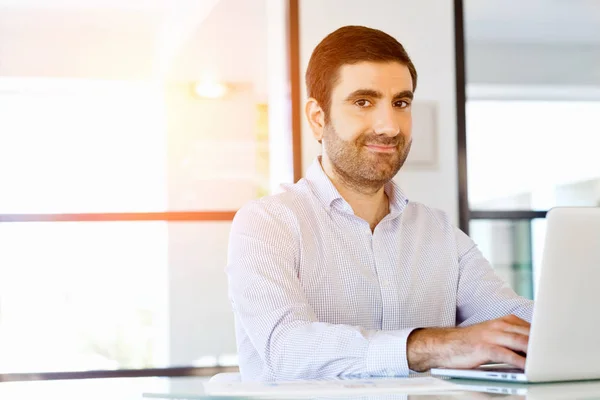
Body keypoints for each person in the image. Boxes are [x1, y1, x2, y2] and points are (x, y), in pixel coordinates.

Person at [226, 25, 533, 382]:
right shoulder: (267, 222)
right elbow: (286, 347)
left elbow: (512, 321)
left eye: (400, 103)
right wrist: (433, 346)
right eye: (363, 102)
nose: (389, 126)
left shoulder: (438, 231)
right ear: (317, 118)